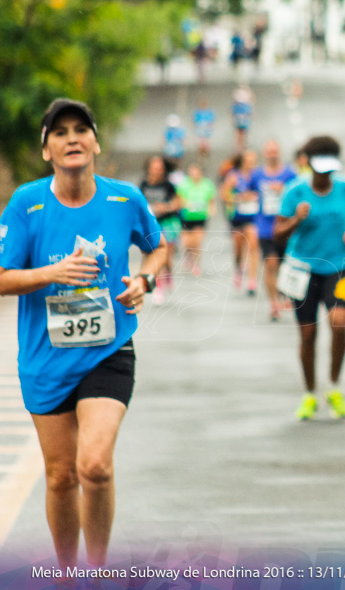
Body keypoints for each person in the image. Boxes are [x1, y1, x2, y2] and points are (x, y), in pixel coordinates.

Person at [0, 98, 166, 570]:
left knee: (93, 465)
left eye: (81, 129)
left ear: (95, 141)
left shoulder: (124, 200)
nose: (71, 138)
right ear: (47, 149)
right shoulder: (26, 205)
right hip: (45, 358)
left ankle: (97, 572)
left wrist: (144, 281)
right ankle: (68, 572)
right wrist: (53, 272)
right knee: (59, 476)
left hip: (107, 352)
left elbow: (158, 249)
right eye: (60, 132)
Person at [274, 136, 345, 420]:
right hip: (303, 270)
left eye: (330, 169)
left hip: (340, 268)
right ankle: (309, 393)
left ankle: (334, 387)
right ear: (308, 164)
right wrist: (296, 220)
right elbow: (277, 234)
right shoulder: (295, 193)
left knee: (338, 324)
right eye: (321, 169)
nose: (326, 175)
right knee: (308, 333)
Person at [250, 140, 297, 321]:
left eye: (275, 151)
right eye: (269, 151)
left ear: (279, 152)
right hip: (265, 227)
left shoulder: (290, 174)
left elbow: (298, 195)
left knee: (285, 265)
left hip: (285, 227)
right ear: (264, 153)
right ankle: (273, 303)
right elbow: (249, 192)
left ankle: (284, 293)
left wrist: (283, 190)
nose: (272, 154)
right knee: (270, 264)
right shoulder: (257, 175)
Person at [138, 156, 181, 305]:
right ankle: (158, 288)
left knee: (166, 257)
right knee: (155, 256)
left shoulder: (168, 185)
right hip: (152, 224)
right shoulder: (143, 184)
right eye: (154, 167)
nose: (156, 170)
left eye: (159, 168)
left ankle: (169, 273)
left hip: (168, 222)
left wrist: (166, 207)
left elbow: (179, 202)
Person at [220, 150, 260, 295]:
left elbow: (263, 192)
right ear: (243, 161)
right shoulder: (234, 176)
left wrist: (254, 196)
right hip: (237, 217)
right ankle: (239, 267)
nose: (251, 163)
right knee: (238, 248)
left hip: (253, 218)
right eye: (248, 160)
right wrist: (239, 198)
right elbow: (224, 195)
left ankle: (252, 281)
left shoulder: (257, 175)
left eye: (253, 160)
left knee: (253, 246)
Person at [176, 162, 217, 276]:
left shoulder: (207, 184)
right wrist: (185, 204)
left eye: (196, 173)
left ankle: (196, 264)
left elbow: (211, 200)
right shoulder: (184, 185)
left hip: (201, 216)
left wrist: (211, 210)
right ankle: (187, 256)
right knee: (187, 242)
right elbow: (178, 200)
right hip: (186, 217)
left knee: (197, 242)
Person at [231, 84, 254, 152]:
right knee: (240, 133)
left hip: (244, 115)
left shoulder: (246, 94)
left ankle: (242, 147)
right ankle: (239, 148)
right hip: (240, 115)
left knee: (243, 133)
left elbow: (251, 101)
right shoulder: (237, 93)